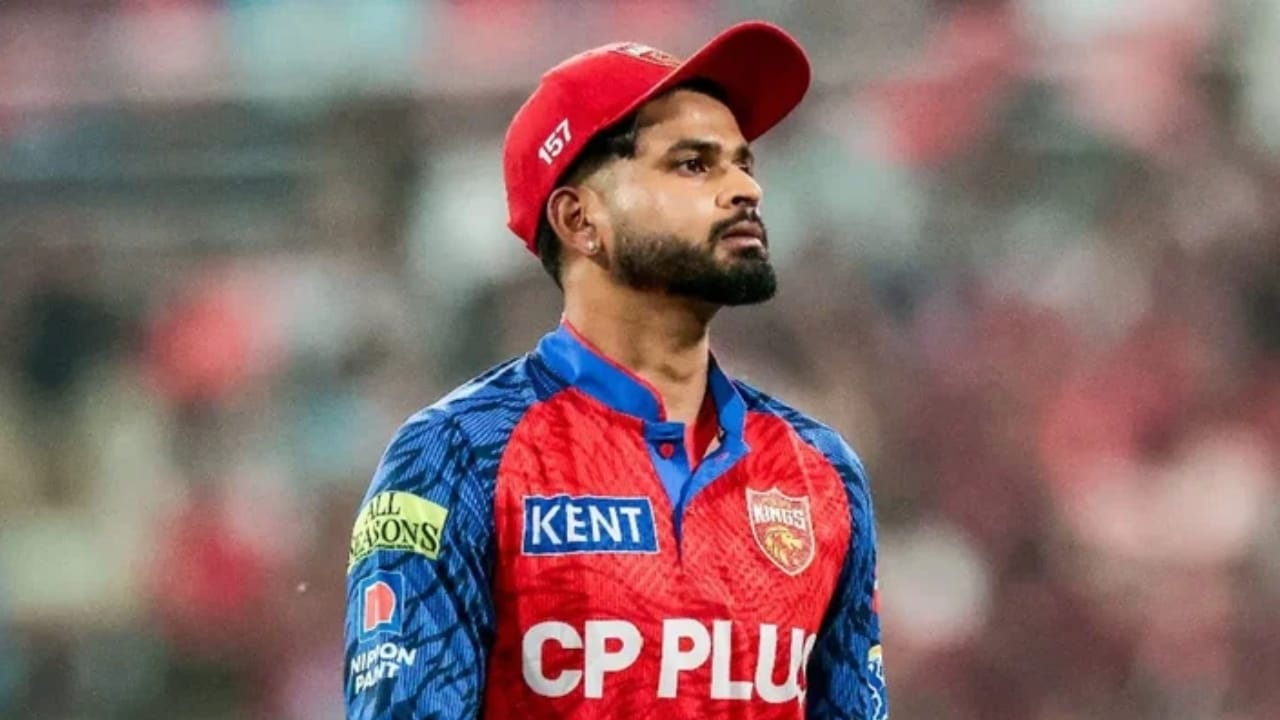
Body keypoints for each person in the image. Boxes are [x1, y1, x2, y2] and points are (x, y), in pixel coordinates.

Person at [344, 20, 887, 720]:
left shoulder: (820, 471)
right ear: (579, 220)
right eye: (692, 164)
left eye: (743, 163)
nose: (744, 189)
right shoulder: (455, 456)